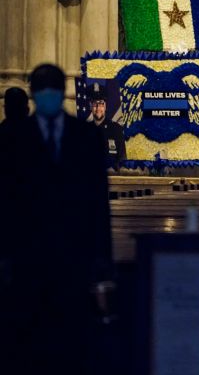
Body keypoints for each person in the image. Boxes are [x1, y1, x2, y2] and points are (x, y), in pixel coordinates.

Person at [0, 64, 113, 375]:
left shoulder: (86, 136)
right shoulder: (13, 138)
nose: (48, 96)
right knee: (29, 344)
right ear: (35, 96)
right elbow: (6, 200)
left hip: (74, 256)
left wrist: (103, 262)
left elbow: (97, 203)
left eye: (52, 90)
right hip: (28, 257)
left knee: (72, 342)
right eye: (43, 90)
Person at [87, 82, 126, 170]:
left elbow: (122, 160)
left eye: (101, 104)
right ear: (90, 106)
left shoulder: (116, 130)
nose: (98, 108)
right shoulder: (84, 131)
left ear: (105, 106)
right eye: (94, 104)